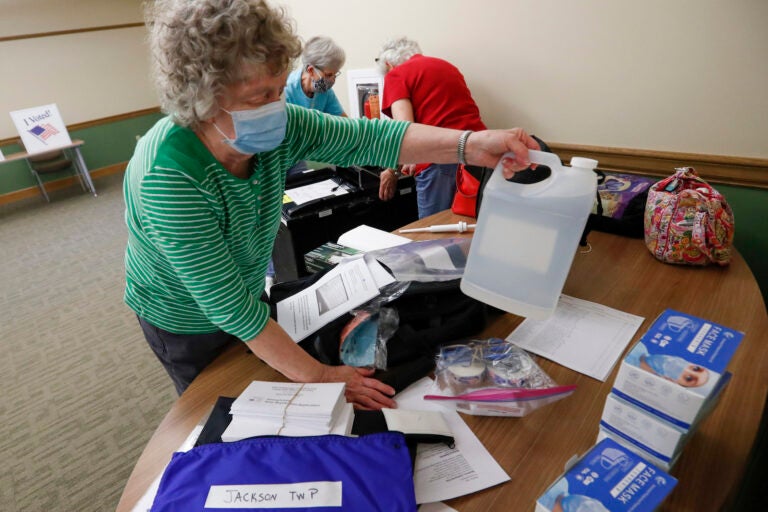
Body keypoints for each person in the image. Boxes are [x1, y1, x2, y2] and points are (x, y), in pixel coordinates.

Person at [124, 0, 539, 410]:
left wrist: (470, 145)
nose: (276, 107)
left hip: (247, 294)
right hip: (182, 315)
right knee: (214, 408)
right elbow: (228, 308)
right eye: (259, 96)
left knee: (272, 380)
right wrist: (321, 377)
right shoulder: (167, 174)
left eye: (278, 88)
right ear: (202, 97)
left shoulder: (277, 126)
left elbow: (372, 137)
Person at [376, 37, 488, 218]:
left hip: (439, 161)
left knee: (433, 234)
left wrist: (391, 171)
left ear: (389, 64)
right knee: (468, 227)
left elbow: (404, 130)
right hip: (477, 153)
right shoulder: (448, 66)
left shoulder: (396, 74)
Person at [285, 35, 347, 116]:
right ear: (310, 70)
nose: (332, 80)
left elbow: (343, 121)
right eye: (328, 75)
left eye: (335, 75)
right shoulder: (287, 91)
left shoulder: (325, 92)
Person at [626, 342, 714, 390]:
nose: (685, 369)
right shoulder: (641, 346)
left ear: (673, 383)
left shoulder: (629, 377)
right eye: (696, 368)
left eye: (688, 378)